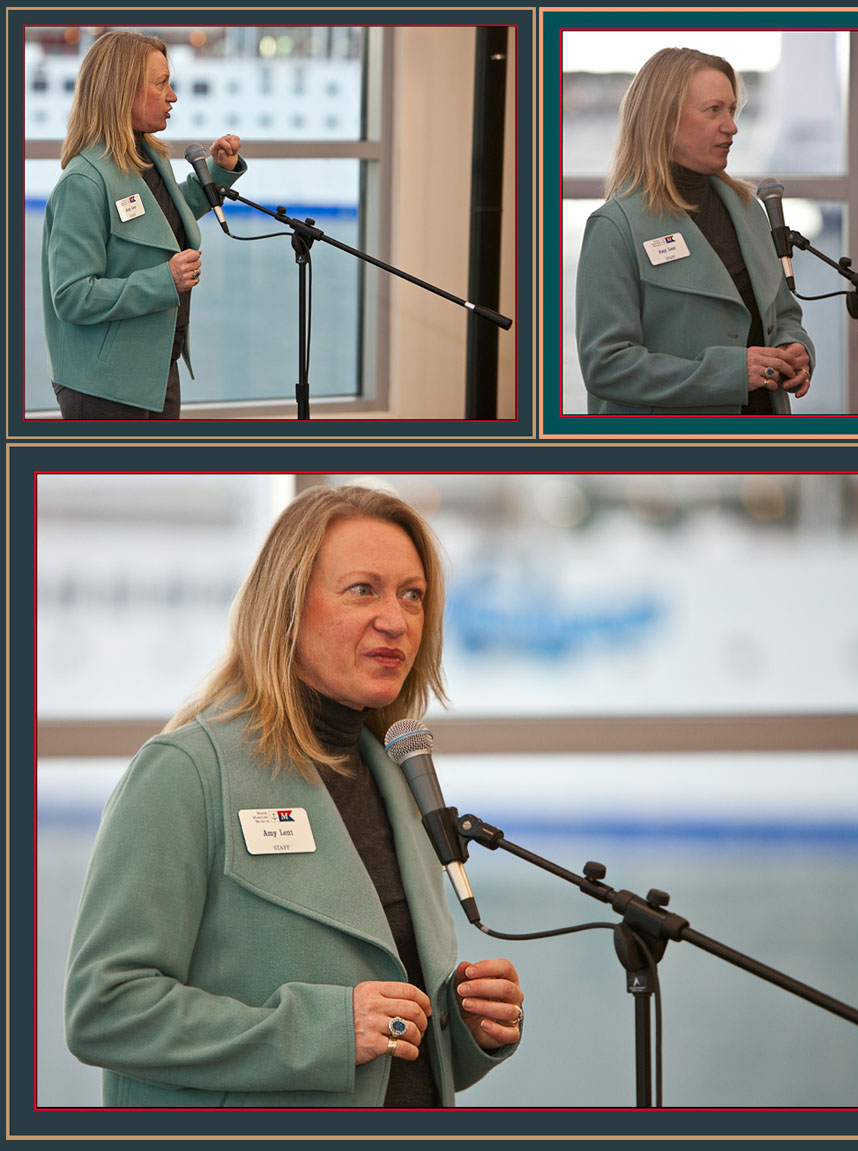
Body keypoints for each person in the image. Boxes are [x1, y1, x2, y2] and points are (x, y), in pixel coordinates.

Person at [64, 484, 524, 1108]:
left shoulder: (399, 780)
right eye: (364, 589)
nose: (396, 619)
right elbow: (106, 1009)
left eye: (412, 595)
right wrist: (325, 1029)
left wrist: (464, 1029)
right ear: (286, 606)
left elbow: (389, 1037)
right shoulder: (187, 771)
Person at [576, 47, 815, 415]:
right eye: (713, 110)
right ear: (664, 119)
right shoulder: (615, 226)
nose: (732, 126)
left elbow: (783, 316)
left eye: (732, 110)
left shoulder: (749, 208)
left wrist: (795, 350)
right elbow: (606, 366)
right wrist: (731, 371)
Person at [42, 30, 247, 420]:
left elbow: (162, 218)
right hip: (102, 386)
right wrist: (164, 281)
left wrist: (217, 174)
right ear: (124, 92)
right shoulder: (84, 182)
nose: (173, 96)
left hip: (154, 371)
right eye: (162, 84)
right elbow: (71, 296)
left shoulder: (147, 156)